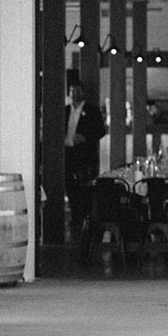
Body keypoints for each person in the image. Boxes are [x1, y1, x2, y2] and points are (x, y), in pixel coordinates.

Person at [64, 82, 106, 232]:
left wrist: (85, 137)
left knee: (85, 188)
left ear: (83, 92)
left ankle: (86, 220)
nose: (75, 93)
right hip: (67, 153)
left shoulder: (91, 110)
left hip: (85, 154)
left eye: (77, 90)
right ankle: (75, 218)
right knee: (69, 186)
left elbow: (101, 131)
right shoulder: (65, 110)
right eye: (72, 90)